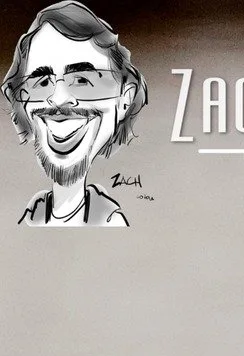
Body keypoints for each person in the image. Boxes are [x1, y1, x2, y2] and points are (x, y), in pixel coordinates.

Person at [3, 2, 144, 225]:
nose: (58, 99)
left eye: (82, 80)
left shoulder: (110, 222)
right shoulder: (31, 214)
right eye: (41, 82)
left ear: (124, 98)